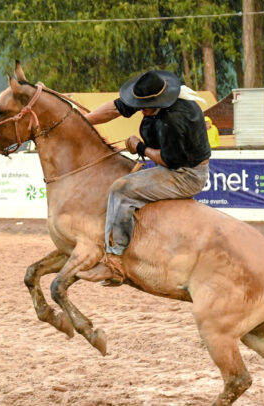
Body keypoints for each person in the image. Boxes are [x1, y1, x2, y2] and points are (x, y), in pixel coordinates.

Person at [84, 70, 211, 281]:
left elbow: (169, 160)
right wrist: (82, 121)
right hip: (174, 165)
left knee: (120, 189)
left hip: (186, 174)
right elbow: (116, 108)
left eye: (144, 109)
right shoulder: (152, 98)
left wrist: (140, 147)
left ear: (159, 102)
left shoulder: (175, 119)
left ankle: (115, 261)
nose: (140, 111)